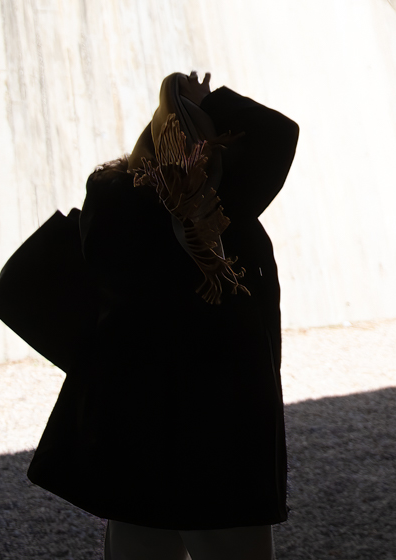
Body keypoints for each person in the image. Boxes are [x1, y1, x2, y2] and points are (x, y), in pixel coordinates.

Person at [29, 72, 300, 560]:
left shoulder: (113, 200)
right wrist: (208, 101)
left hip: (133, 427)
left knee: (140, 537)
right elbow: (279, 133)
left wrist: (175, 106)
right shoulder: (223, 210)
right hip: (216, 432)